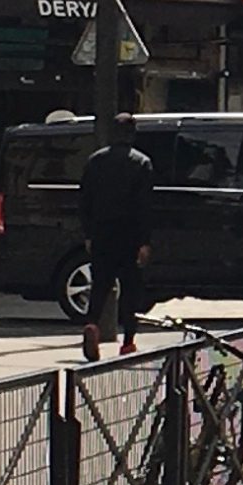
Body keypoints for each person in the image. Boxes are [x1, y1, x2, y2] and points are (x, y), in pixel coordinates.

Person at [78, 114, 155, 360]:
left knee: (100, 284)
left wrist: (88, 233)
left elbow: (85, 201)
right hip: (130, 236)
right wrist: (144, 241)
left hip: (101, 233)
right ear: (132, 134)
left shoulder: (95, 161)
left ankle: (92, 323)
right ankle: (128, 341)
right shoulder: (141, 163)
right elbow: (144, 206)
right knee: (130, 288)